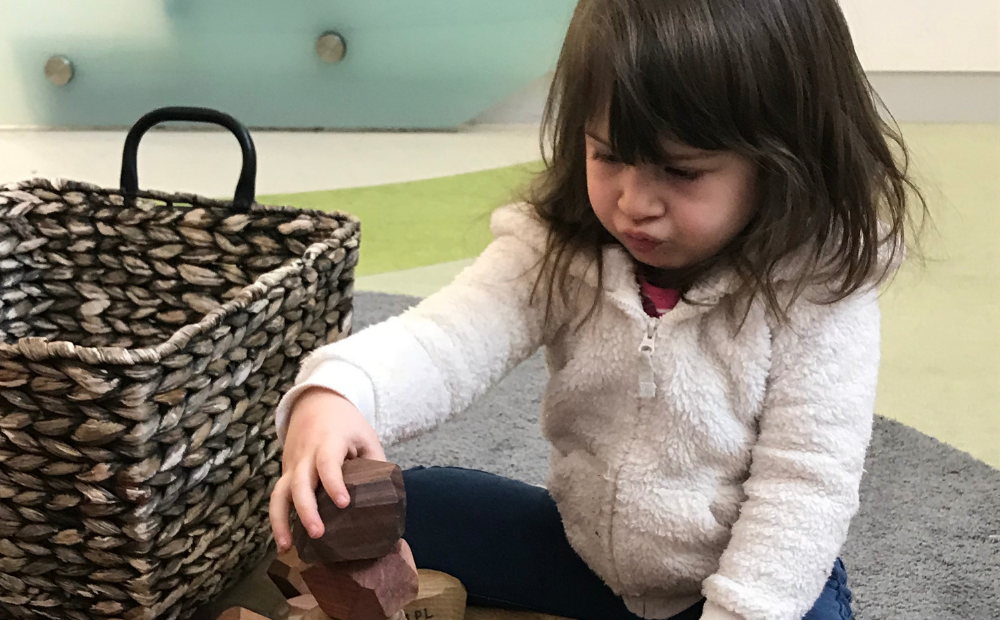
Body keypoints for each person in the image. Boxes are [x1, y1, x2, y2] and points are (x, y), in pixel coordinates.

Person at [269, 1, 926, 618]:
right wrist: (338, 391)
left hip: (746, 579)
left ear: (783, 160)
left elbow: (806, 483)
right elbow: (446, 339)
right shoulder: (560, 246)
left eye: (682, 171)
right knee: (422, 502)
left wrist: (741, 608)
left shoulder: (818, 287)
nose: (634, 202)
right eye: (608, 155)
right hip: (591, 559)